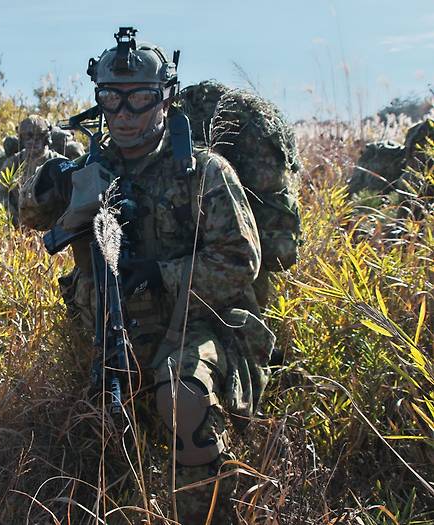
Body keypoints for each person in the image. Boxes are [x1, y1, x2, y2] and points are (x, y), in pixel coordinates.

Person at [19, 27, 275, 523]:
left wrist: (163, 275)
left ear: (165, 100)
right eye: (111, 99)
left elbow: (241, 262)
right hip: (110, 331)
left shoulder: (202, 172)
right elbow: (28, 216)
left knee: (183, 400)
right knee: (101, 442)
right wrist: (50, 181)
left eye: (140, 99)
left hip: (196, 325)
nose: (125, 114)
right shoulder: (88, 168)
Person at [0, 115, 64, 223]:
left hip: (52, 223)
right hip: (18, 223)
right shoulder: (13, 162)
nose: (33, 141)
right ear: (22, 140)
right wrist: (13, 218)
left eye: (38, 137)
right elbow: (0, 192)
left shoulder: (58, 162)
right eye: (28, 137)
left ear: (46, 138)